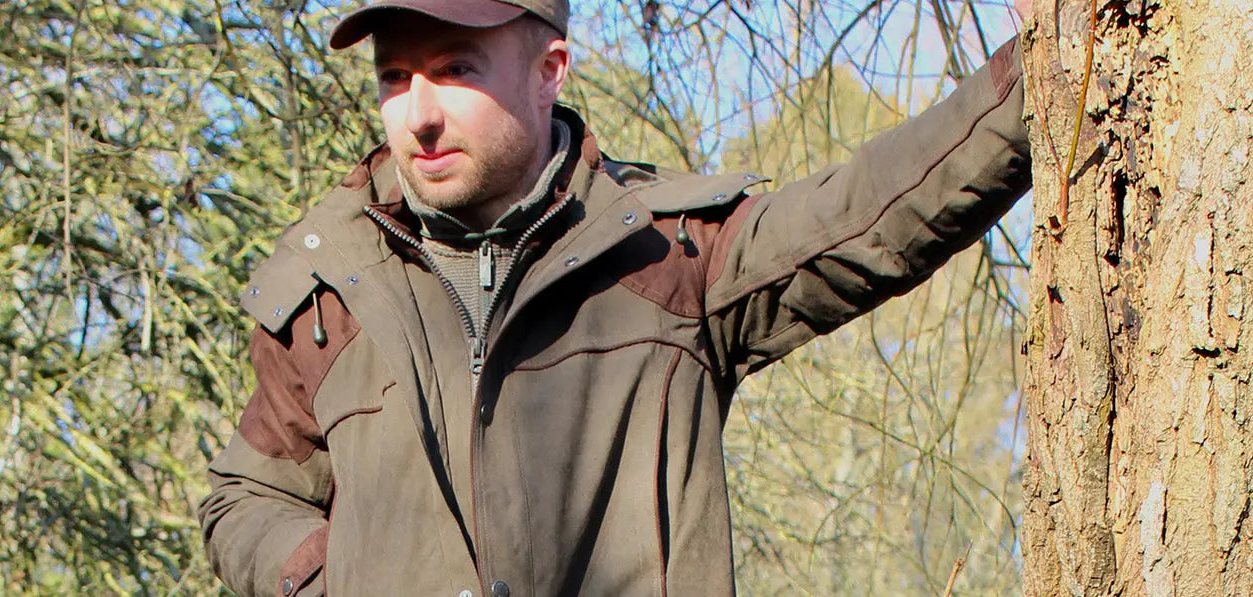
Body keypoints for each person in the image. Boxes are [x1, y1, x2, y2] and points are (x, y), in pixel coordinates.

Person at [198, 1, 1031, 595]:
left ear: (548, 72)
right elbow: (245, 495)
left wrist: (1045, 71)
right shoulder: (327, 291)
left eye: (454, 70)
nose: (417, 114)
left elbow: (873, 213)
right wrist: (323, 572)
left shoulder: (668, 254)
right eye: (394, 76)